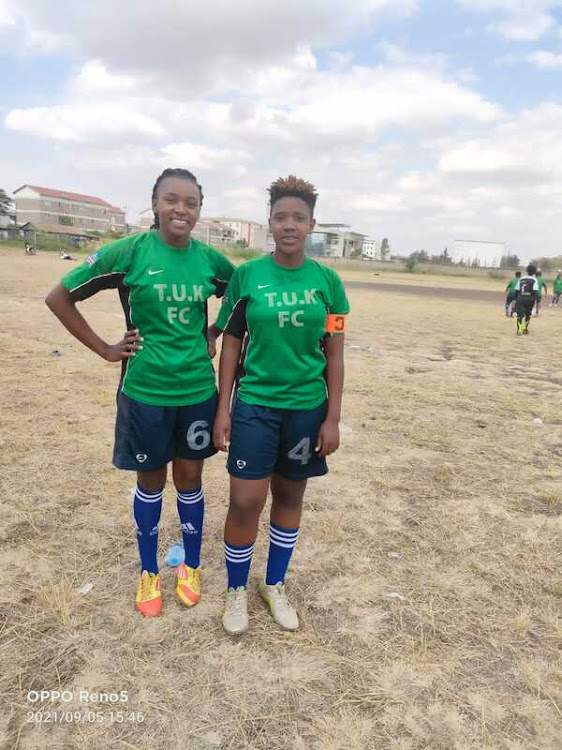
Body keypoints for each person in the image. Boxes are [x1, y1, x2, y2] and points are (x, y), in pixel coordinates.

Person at [45, 168, 235, 617]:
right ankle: (149, 572)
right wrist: (107, 350)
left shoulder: (209, 260)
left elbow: (242, 297)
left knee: (190, 479)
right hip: (145, 391)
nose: (181, 210)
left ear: (200, 210)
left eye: (191, 203)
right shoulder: (129, 253)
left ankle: (189, 565)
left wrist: (214, 328)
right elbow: (58, 297)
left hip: (196, 392)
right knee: (150, 481)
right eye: (172, 200)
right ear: (154, 205)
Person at [213, 176, 349, 634]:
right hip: (255, 405)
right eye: (280, 217)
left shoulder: (329, 282)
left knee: (290, 496)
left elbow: (335, 351)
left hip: (307, 408)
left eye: (298, 218)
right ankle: (236, 591)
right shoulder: (247, 276)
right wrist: (223, 407)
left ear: (312, 224)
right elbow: (231, 343)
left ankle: (273, 584)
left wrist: (332, 417)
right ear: (269, 223)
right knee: (246, 500)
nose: (289, 225)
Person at [514, 264, 540, 335]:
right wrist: (538, 300)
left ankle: (519, 330)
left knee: (520, 315)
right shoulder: (534, 280)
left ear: (526, 271)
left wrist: (516, 298)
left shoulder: (521, 279)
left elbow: (516, 290)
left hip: (521, 299)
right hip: (530, 300)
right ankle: (525, 329)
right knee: (528, 314)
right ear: (534, 272)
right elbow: (535, 291)